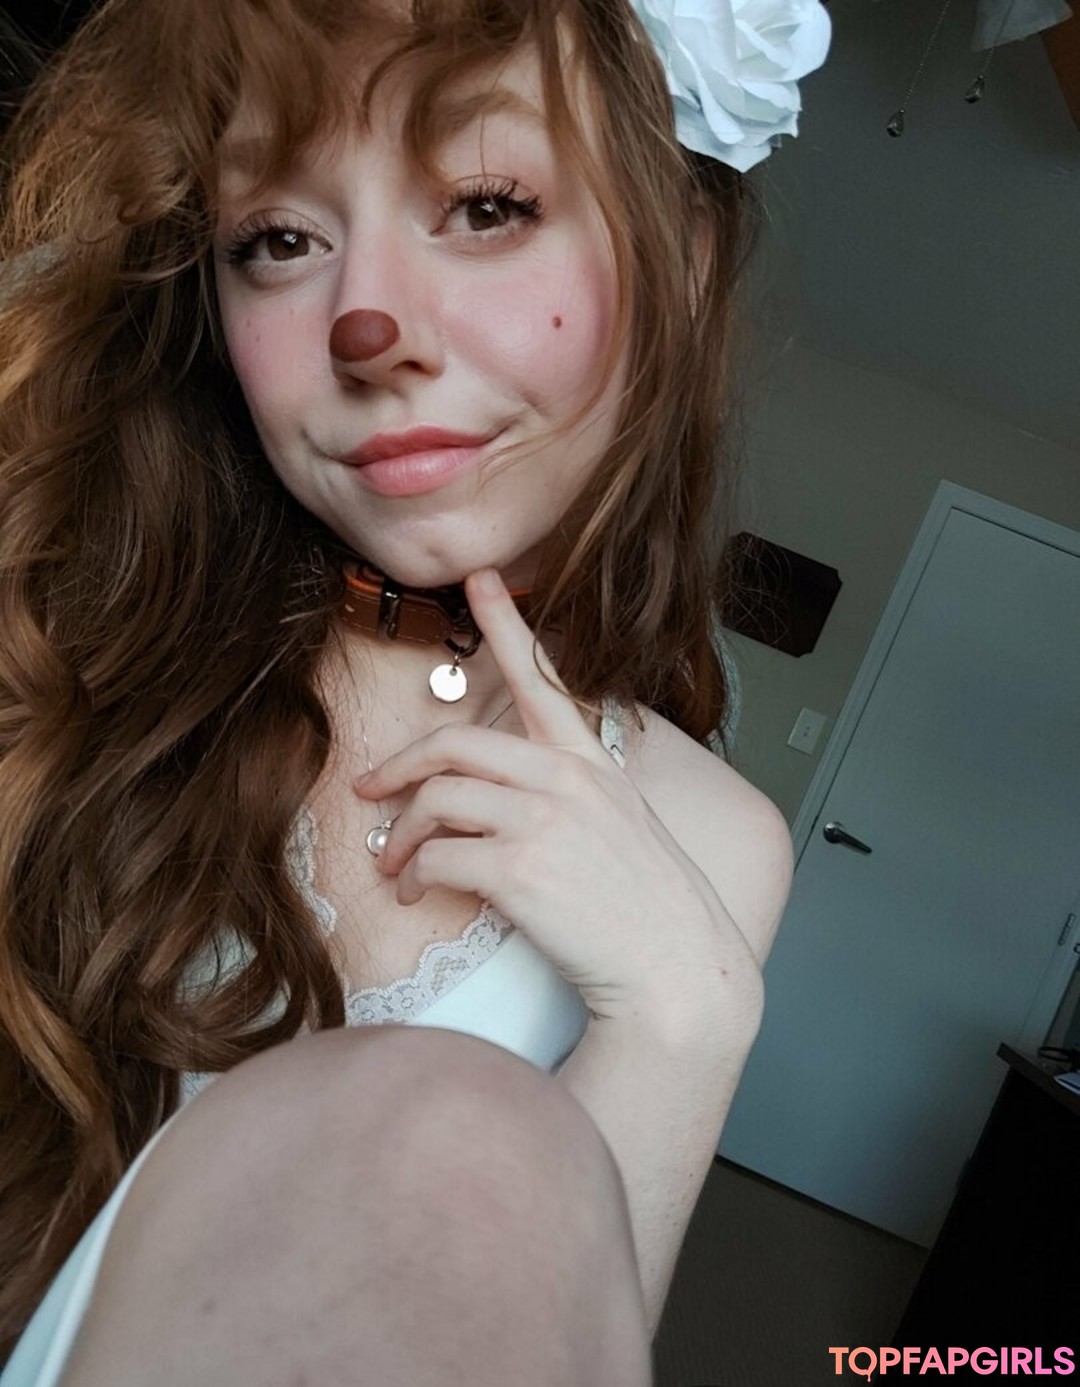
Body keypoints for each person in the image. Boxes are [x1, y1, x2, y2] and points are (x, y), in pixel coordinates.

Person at [0, 0, 830, 1382]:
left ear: (681, 260)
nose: (366, 324)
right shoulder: (49, 641)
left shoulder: (718, 846)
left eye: (488, 206)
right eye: (278, 240)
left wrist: (686, 1027)